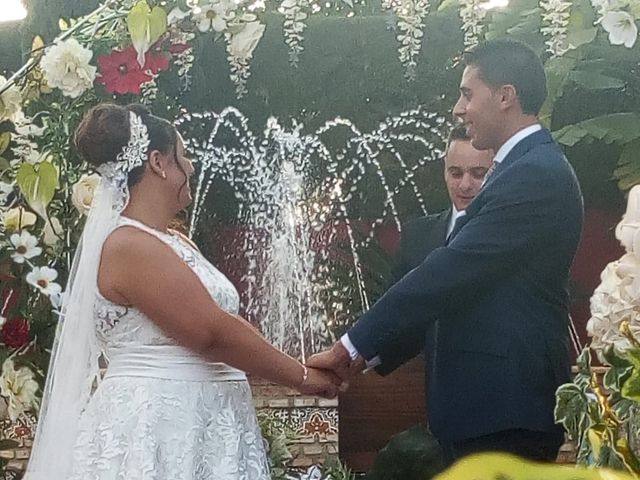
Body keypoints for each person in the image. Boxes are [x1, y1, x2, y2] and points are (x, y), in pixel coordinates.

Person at [26, 103, 340, 480]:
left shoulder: (175, 242)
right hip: (159, 427)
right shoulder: (129, 244)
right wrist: (302, 377)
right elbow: (210, 333)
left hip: (204, 420)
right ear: (158, 162)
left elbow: (224, 322)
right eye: (184, 156)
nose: (191, 166)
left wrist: (300, 366)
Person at [307, 37, 584, 464]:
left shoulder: (535, 174)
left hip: (504, 409)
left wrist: (349, 348)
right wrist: (365, 356)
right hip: (487, 410)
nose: (459, 107)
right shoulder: (523, 168)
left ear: (505, 96)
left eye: (468, 93)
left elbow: (448, 273)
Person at [385, 125, 493, 374]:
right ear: (444, 172)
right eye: (456, 173)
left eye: (478, 174)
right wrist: (354, 359)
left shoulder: (514, 236)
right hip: (419, 384)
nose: (465, 185)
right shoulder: (416, 237)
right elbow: (392, 314)